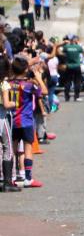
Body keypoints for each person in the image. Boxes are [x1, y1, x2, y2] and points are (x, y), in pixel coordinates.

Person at [6, 56, 45, 188]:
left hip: (12, 120)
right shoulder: (30, 85)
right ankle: (27, 177)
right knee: (28, 149)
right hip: (26, 121)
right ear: (25, 70)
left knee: (12, 150)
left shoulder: (8, 84)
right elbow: (43, 91)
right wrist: (38, 77)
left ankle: (12, 176)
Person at [0, 55, 20, 191]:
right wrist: (15, 102)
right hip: (2, 116)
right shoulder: (4, 84)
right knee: (8, 148)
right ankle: (7, 182)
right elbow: (7, 104)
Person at [60, 35, 83, 102]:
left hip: (69, 66)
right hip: (77, 66)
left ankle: (67, 96)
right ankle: (76, 96)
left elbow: (63, 52)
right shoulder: (78, 47)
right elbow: (81, 51)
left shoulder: (66, 47)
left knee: (67, 82)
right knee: (77, 82)